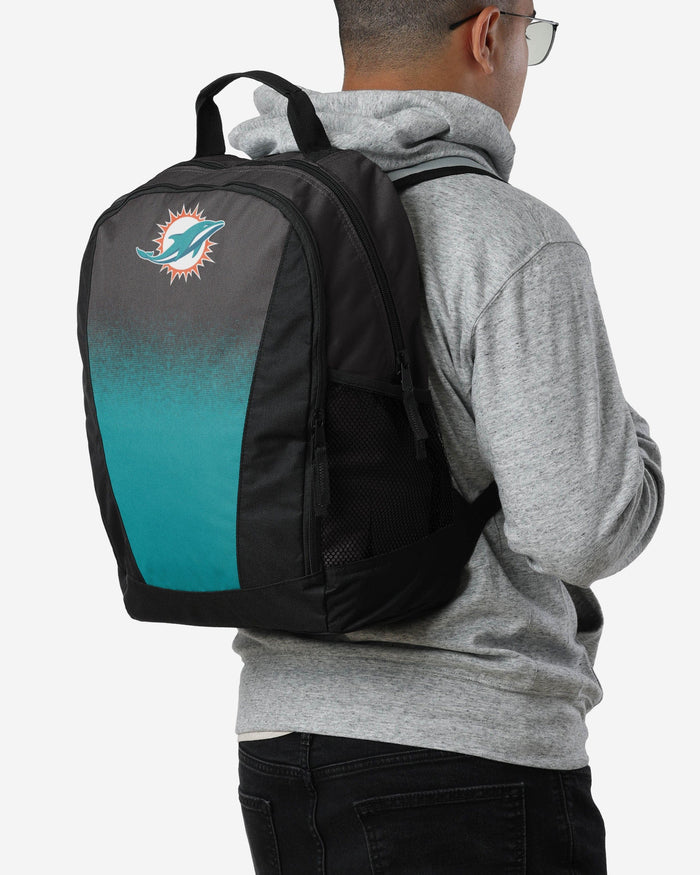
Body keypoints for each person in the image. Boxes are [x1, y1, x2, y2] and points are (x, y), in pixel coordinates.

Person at [230, 2, 664, 872]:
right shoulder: (503, 233)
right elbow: (585, 527)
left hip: (277, 745)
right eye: (533, 33)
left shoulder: (250, 221)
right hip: (470, 755)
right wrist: (634, 443)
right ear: (488, 34)